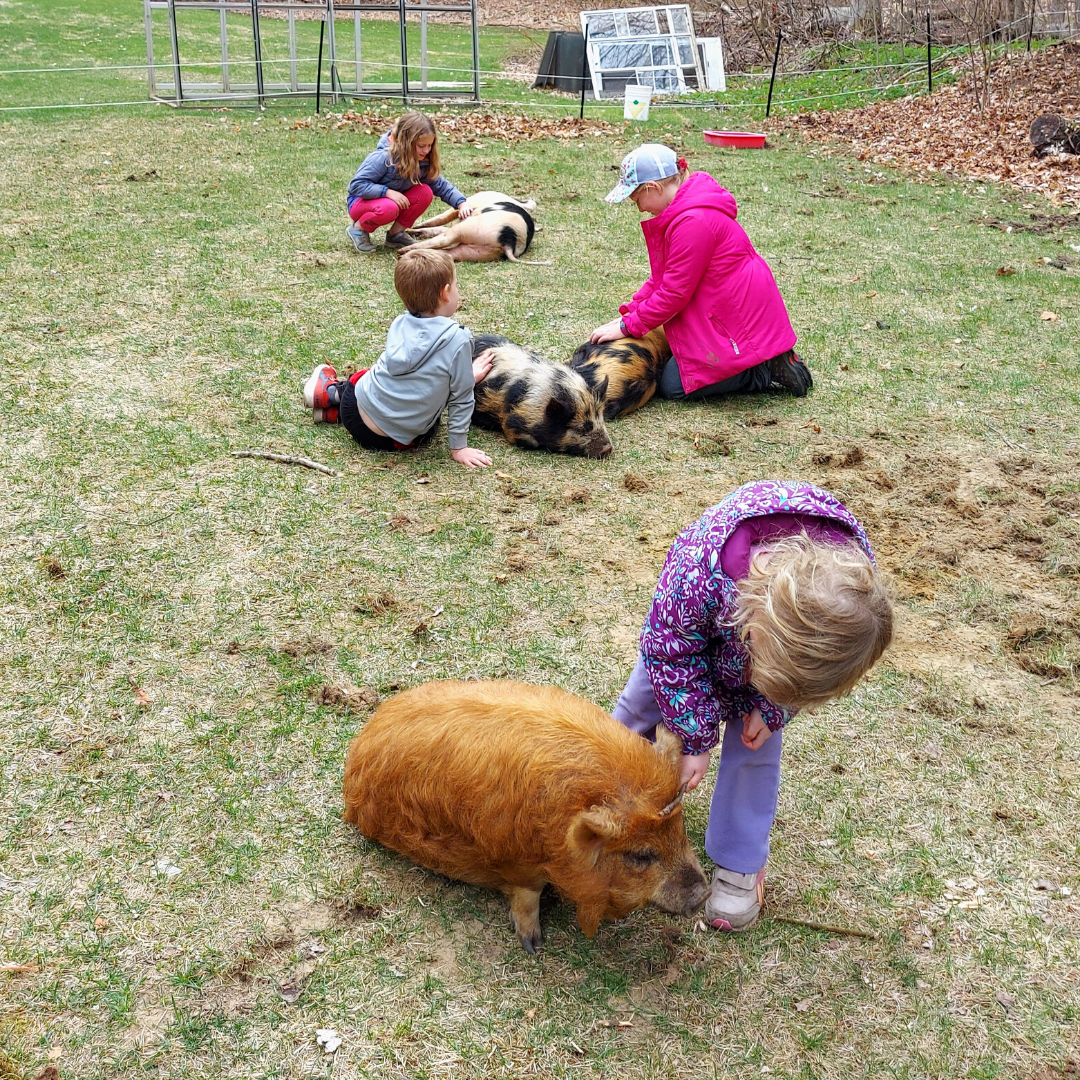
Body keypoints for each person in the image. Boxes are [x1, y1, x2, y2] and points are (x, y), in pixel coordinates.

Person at [611, 480, 892, 930]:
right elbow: (671, 650)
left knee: (756, 749)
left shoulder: (852, 595)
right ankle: (603, 792)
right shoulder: (697, 571)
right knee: (639, 708)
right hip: (682, 645)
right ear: (755, 616)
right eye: (772, 676)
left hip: (770, 650)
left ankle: (739, 861)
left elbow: (805, 678)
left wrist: (774, 706)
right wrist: (695, 739)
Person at [591, 143, 813, 402]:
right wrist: (630, 313)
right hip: (721, 311)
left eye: (637, 199)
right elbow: (662, 278)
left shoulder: (693, 221)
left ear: (654, 188)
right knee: (679, 366)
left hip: (737, 323)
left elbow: (674, 294)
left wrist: (629, 325)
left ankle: (761, 368)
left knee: (674, 386)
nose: (639, 208)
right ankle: (753, 359)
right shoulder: (683, 213)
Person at [302, 248, 493, 469]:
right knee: (430, 425)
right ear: (446, 292)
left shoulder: (400, 323)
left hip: (353, 408)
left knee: (371, 375)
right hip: (391, 440)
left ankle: (333, 397)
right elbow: (461, 397)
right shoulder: (459, 340)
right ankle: (329, 394)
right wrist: (459, 448)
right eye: (457, 285)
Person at [345, 111, 471, 254]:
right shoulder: (383, 158)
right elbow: (356, 185)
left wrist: (461, 203)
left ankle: (396, 235)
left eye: (430, 145)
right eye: (421, 146)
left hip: (391, 203)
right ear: (406, 143)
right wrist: (387, 192)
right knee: (389, 207)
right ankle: (358, 229)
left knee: (425, 192)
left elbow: (440, 185)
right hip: (361, 203)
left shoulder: (422, 161)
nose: (426, 150)